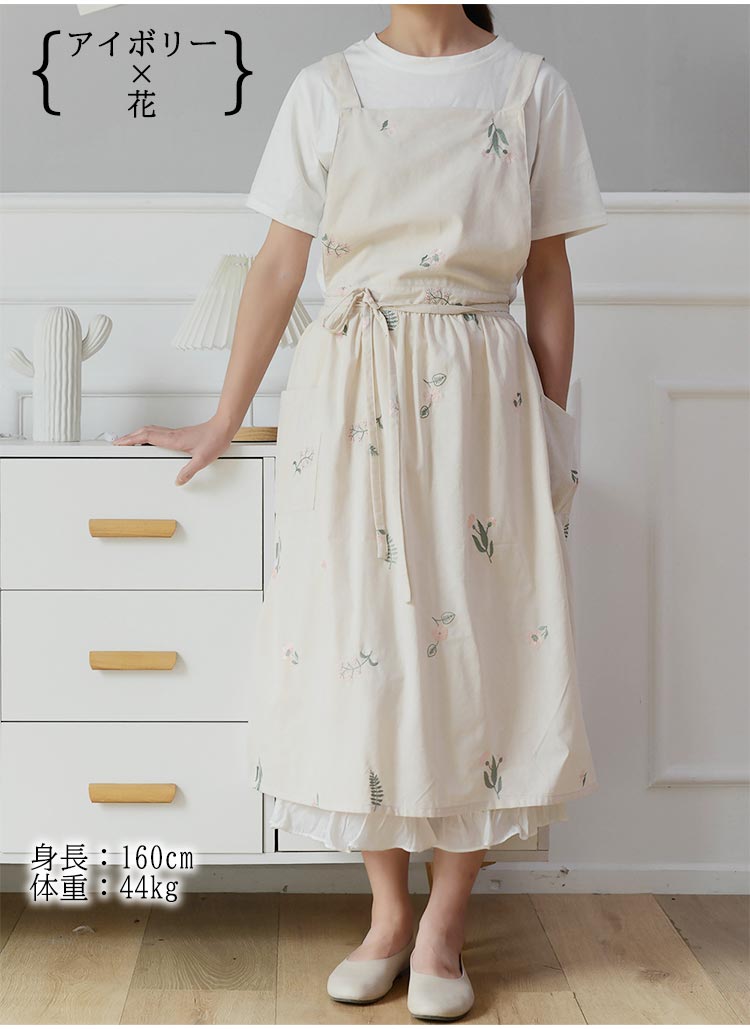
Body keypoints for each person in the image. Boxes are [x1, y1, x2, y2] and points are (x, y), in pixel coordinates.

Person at [114, 4, 606, 1021]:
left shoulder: (532, 88)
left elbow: (550, 271)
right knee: (358, 645)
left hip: (483, 395)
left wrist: (556, 429)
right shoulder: (324, 88)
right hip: (348, 392)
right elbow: (277, 265)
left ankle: (445, 922)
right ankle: (387, 914)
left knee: (482, 645)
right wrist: (223, 418)